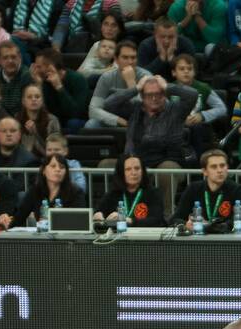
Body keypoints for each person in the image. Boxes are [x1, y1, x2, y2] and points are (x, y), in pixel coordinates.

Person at [107, 73, 197, 212]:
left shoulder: (176, 110)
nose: (154, 98)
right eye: (149, 95)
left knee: (167, 170)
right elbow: (109, 104)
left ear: (164, 94)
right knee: (106, 165)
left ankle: (166, 215)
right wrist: (136, 88)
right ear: (142, 96)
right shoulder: (134, 109)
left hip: (167, 161)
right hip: (135, 162)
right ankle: (110, 213)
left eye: (159, 93)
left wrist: (168, 86)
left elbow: (192, 95)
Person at [171, 148, 241, 230]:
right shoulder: (193, 189)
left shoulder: (238, 190)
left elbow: (240, 220)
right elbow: (175, 219)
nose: (219, 170)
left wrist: (208, 226)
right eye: (214, 167)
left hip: (226, 239)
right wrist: (187, 224)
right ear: (205, 171)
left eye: (222, 165)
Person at [8, 153, 84, 227]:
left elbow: (80, 220)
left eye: (62, 167)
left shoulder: (75, 192)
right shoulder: (35, 191)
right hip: (43, 237)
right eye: (53, 166)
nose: (58, 169)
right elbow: (19, 218)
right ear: (44, 170)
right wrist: (7, 223)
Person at [173, 53, 226, 155]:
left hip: (199, 129)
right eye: (182, 69)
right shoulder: (168, 89)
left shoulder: (203, 88)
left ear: (194, 72)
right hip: (176, 128)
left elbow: (222, 108)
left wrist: (202, 115)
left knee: (198, 128)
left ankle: (199, 162)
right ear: (174, 72)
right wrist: (180, 119)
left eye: (189, 69)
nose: (186, 71)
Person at [87, 41, 148, 129]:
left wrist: (131, 83)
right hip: (115, 120)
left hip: (140, 122)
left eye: (133, 58)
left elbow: (146, 111)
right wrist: (119, 121)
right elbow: (93, 110)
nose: (130, 62)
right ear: (116, 59)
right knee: (91, 124)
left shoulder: (146, 77)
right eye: (125, 57)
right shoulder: (107, 77)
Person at [94, 153, 164, 228]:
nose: (134, 173)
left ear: (143, 171)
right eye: (128, 169)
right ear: (121, 173)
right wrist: (98, 216)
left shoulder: (153, 193)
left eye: (137, 168)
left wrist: (129, 221)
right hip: (118, 237)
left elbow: (156, 220)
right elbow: (99, 212)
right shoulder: (113, 194)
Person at [30, 48, 91, 131]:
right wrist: (39, 86)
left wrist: (59, 87)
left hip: (76, 121)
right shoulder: (42, 81)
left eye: (39, 67)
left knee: (73, 123)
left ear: (50, 67)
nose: (36, 70)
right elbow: (41, 112)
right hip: (54, 120)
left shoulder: (78, 79)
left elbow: (75, 113)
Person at [16, 83, 60, 157]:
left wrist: (35, 134)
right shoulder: (16, 120)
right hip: (22, 164)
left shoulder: (52, 120)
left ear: (42, 101)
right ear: (23, 101)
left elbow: (54, 152)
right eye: (29, 97)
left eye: (37, 97)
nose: (34, 99)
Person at [77, 13, 125, 77]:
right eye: (106, 24)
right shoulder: (97, 45)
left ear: (120, 29)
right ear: (101, 27)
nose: (109, 28)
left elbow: (116, 71)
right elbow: (82, 71)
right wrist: (105, 70)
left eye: (114, 25)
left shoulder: (124, 48)